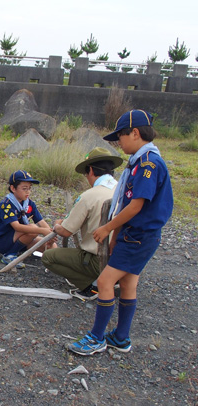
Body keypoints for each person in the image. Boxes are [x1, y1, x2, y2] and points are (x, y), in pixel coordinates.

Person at [68, 110, 173, 356]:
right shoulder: (138, 163)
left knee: (104, 281)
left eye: (121, 137)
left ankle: (96, 337)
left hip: (140, 236)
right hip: (133, 235)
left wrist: (107, 228)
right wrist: (116, 236)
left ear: (135, 133)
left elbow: (137, 205)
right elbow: (125, 205)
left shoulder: (148, 164)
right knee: (128, 283)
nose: (119, 143)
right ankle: (121, 337)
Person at [42, 147, 123, 301]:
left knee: (48, 257)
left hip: (98, 258)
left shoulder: (90, 195)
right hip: (121, 257)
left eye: (86, 174)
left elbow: (66, 231)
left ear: (91, 171)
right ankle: (115, 279)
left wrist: (57, 224)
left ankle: (91, 287)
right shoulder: (123, 190)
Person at [0, 170, 56, 269]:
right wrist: (42, 231)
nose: (28, 191)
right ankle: (9, 255)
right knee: (33, 229)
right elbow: (17, 227)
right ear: (13, 188)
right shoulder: (6, 204)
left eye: (29, 188)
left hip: (21, 238)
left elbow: (40, 221)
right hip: (3, 241)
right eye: (24, 188)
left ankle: (20, 251)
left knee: (53, 248)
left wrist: (50, 235)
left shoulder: (29, 203)